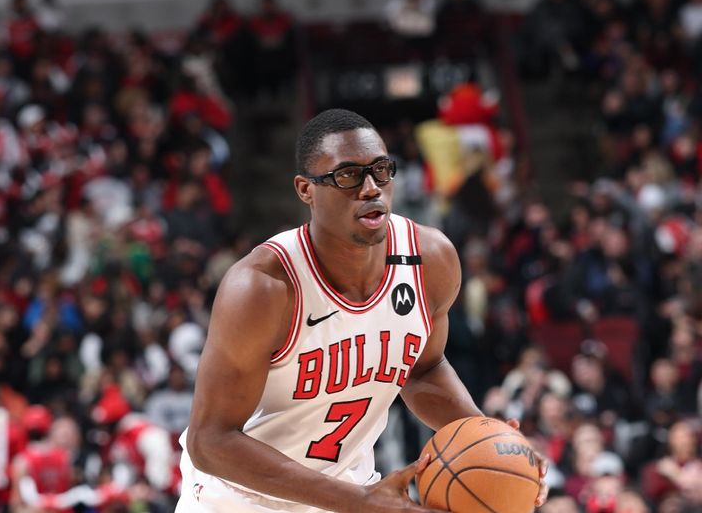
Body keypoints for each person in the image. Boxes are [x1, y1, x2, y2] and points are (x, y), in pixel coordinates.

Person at [178, 109, 548, 512]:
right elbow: (210, 440)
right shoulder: (262, 287)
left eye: (381, 171)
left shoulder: (430, 259)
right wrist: (358, 501)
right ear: (305, 190)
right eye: (348, 175)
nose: (371, 188)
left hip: (348, 487)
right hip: (240, 499)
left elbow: (422, 370)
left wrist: (490, 442)